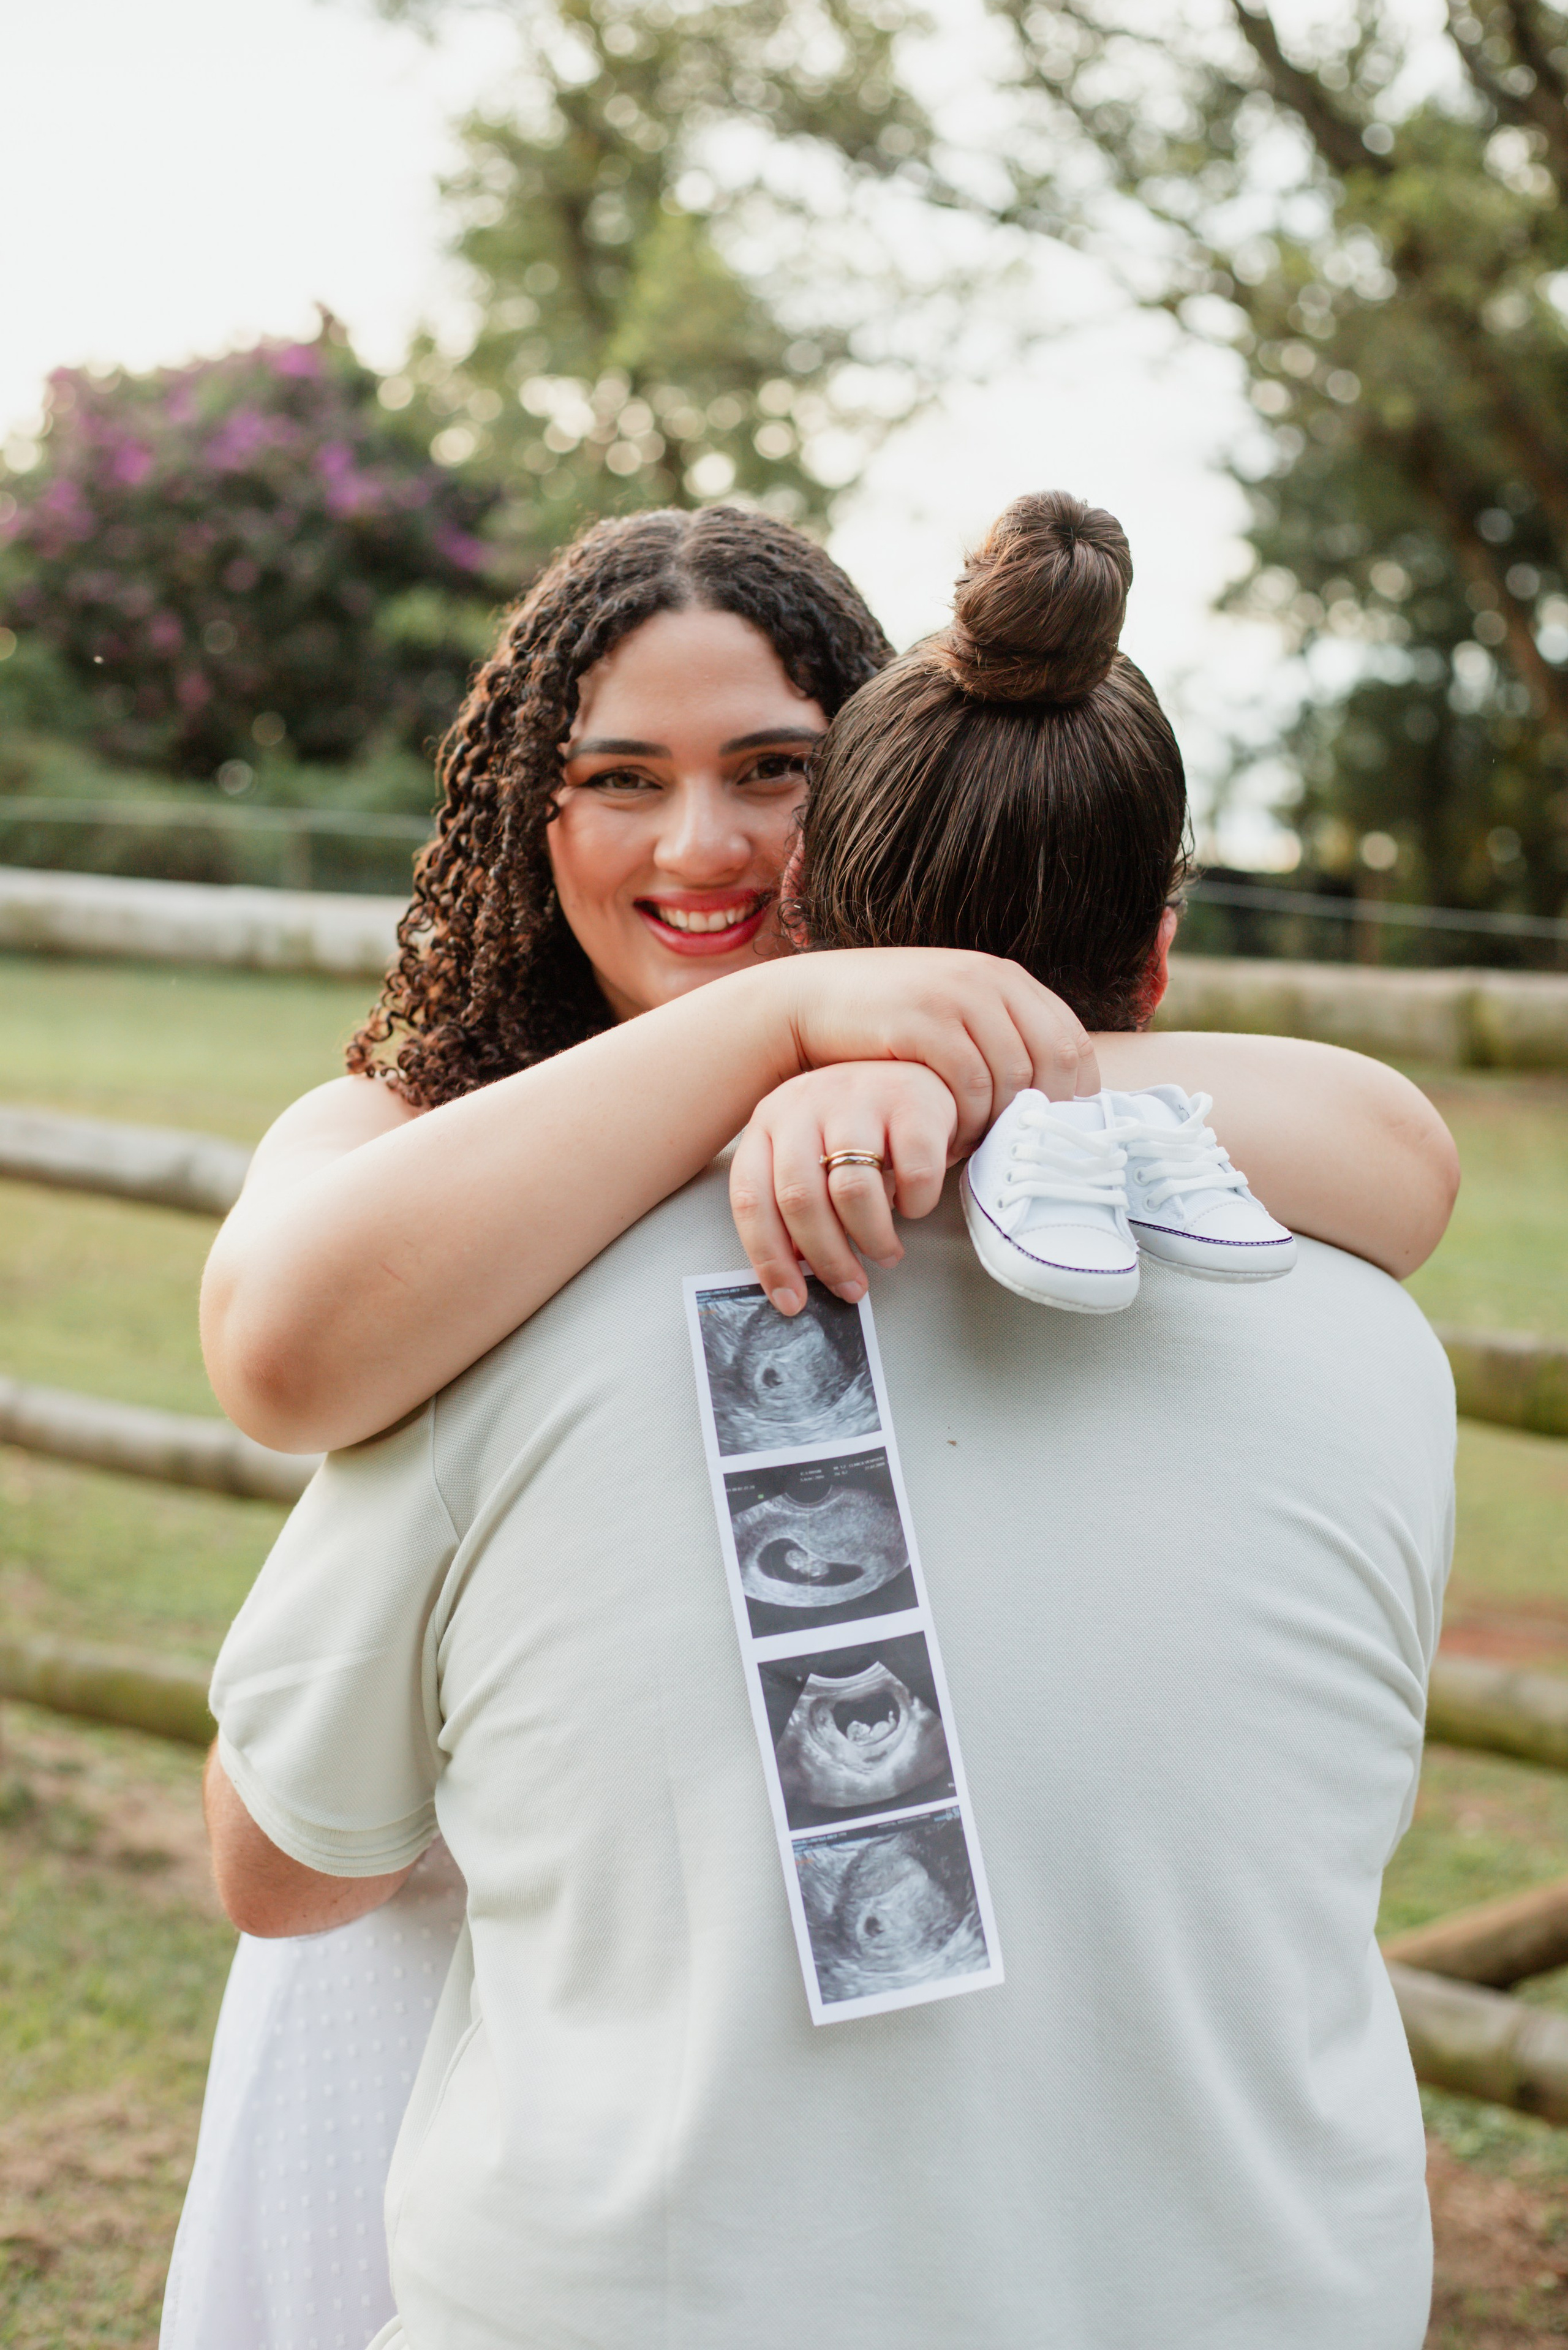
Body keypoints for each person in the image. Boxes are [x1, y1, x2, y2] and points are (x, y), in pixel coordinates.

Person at [200, 492, 1456, 2350]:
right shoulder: (419, 1139)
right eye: (618, 777)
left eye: (774, 768)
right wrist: (768, 1041)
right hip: (460, 1977)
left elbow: (1394, 1155)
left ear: (876, 778)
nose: (699, 843)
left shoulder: (1054, 1133)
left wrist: (935, 1080)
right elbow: (286, 1354)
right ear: (524, 815)